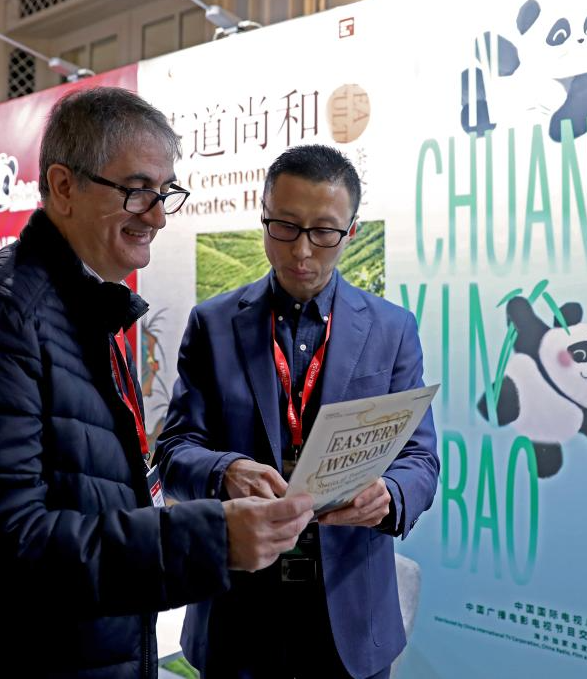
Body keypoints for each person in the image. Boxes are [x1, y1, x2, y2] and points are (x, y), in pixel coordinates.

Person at [0, 87, 313, 678]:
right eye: (136, 190)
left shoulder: (82, 308)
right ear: (63, 186)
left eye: (164, 192)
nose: (157, 216)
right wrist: (208, 539)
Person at [154, 144, 441, 678]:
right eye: (285, 227)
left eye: (324, 231)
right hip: (237, 612)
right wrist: (226, 470)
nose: (303, 250)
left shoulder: (392, 329)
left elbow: (419, 458)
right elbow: (172, 451)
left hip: (351, 614)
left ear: (350, 232)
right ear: (263, 217)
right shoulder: (213, 325)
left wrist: (391, 495)